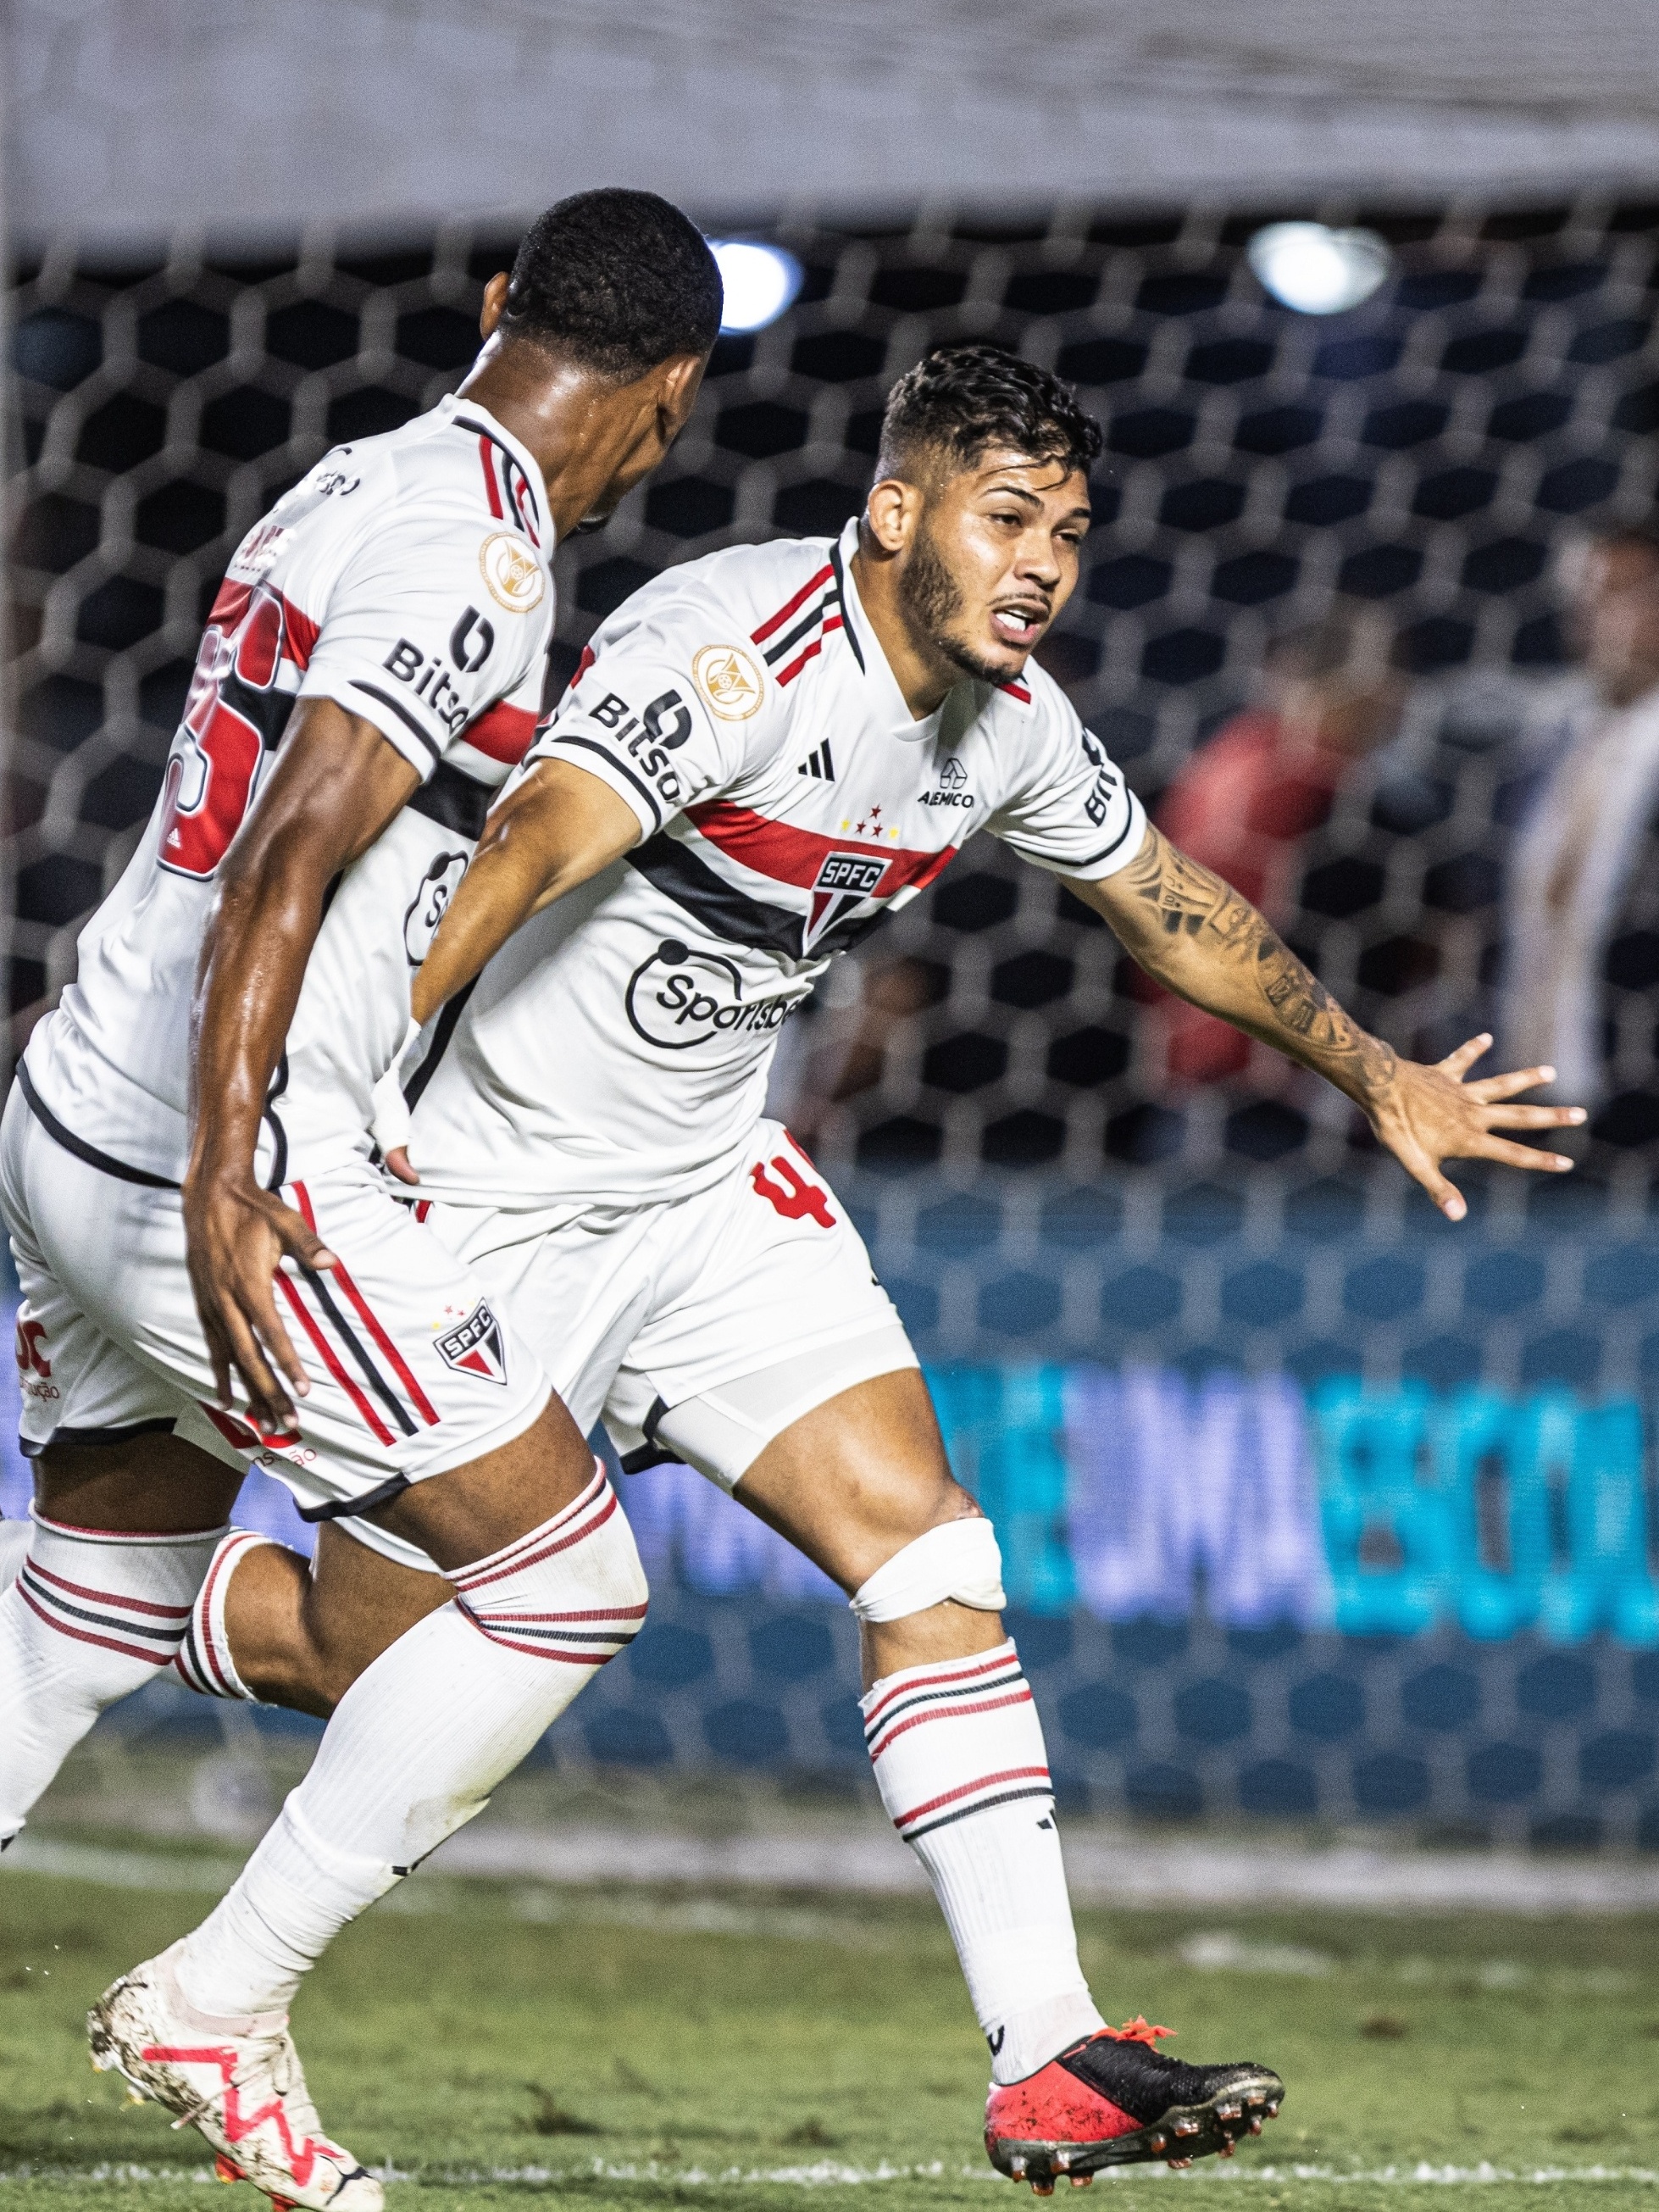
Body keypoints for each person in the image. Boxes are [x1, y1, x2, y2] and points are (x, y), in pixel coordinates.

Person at [141, 344, 1580, 2196]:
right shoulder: (730, 651)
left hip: (706, 1197)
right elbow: (521, 850)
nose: (1043, 563)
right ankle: (117, 1597)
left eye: (1068, 530)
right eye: (1006, 519)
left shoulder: (1015, 725)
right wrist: (302, 1109)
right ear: (897, 510)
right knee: (365, 1656)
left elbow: (1173, 908)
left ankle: (1049, 2054)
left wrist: (1377, 1072)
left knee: (930, 1555)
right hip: (483, 1197)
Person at [0, 189, 721, 2210]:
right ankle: (218, 1997)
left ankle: (220, 1991)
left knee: (89, 1606)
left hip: (72, 1100)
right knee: (565, 1579)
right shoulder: (473, 555)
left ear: (495, 309)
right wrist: (237, 1173)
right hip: (200, 1159)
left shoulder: (355, 470)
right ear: (666, 403)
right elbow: (290, 852)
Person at [1150, 611, 1402, 1085]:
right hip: (1265, 1076)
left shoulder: (1224, 759)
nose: (1401, 698)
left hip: (1194, 1058)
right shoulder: (1308, 780)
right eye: (1391, 673)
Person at [1501, 525, 1659, 1130]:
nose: (1590, 618)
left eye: (1618, 596)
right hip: (1540, 1100)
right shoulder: (1553, 745)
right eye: (1579, 598)